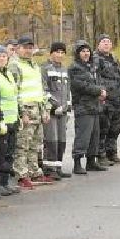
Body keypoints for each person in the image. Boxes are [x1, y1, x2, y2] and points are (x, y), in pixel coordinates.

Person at [11, 35, 51, 188]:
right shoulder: (15, 66)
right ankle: (21, 175)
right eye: (25, 47)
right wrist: (21, 113)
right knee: (22, 145)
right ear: (18, 49)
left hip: (37, 110)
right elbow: (13, 91)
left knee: (36, 144)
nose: (28, 51)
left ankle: (35, 172)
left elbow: (41, 90)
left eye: (30, 48)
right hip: (25, 111)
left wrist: (45, 110)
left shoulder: (35, 66)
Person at [67, 41, 105, 175]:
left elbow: (98, 82)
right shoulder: (74, 68)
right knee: (82, 136)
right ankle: (77, 163)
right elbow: (81, 85)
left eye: (88, 51)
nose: (86, 53)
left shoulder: (91, 67)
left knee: (94, 136)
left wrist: (101, 91)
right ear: (78, 53)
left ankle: (91, 162)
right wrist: (98, 91)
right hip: (83, 107)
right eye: (83, 51)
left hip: (94, 106)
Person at [0, 45, 19, 197]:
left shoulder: (9, 74)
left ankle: (5, 182)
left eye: (4, 56)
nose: (1, 59)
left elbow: (14, 97)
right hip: (1, 122)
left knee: (9, 153)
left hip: (12, 119)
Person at [92, 33, 120, 166]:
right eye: (103, 42)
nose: (106, 44)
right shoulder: (96, 59)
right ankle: (101, 155)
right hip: (106, 100)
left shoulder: (114, 59)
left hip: (118, 99)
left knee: (115, 128)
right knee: (103, 128)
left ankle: (112, 153)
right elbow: (95, 78)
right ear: (98, 45)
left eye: (108, 42)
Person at [41, 41, 71, 182]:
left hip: (63, 112)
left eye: (62, 52)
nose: (59, 55)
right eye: (57, 52)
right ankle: (49, 168)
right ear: (51, 53)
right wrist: (54, 105)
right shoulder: (45, 69)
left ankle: (58, 167)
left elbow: (67, 92)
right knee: (51, 139)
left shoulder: (64, 70)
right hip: (52, 111)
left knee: (61, 140)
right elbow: (44, 90)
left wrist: (67, 108)